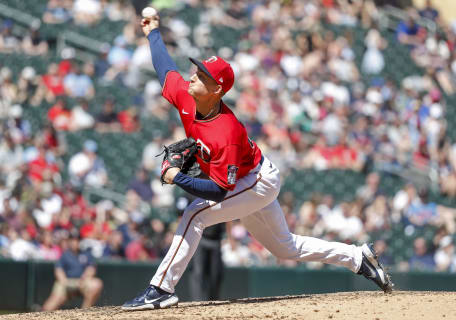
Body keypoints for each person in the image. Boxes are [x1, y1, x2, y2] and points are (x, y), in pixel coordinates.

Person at [121, 13, 393, 311]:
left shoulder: (227, 131)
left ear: (217, 90)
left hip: (257, 182)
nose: (193, 76)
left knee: (195, 215)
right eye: (196, 70)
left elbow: (220, 191)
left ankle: (161, 288)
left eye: (202, 76)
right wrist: (153, 34)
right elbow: (165, 70)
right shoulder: (187, 97)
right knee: (284, 247)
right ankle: (357, 257)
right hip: (250, 177)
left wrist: (178, 178)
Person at [42, 231, 103, 311]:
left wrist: (85, 278)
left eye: (77, 240)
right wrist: (64, 282)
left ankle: (84, 313)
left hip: (82, 282)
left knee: (96, 284)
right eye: (73, 240)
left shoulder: (86, 253)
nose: (75, 242)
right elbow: (58, 270)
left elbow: (91, 268)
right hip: (67, 281)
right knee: (48, 307)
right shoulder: (65, 254)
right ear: (69, 241)